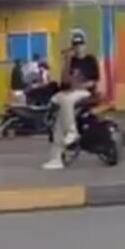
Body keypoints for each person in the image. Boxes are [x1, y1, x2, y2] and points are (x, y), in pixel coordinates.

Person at [42, 34, 101, 170]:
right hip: (69, 93)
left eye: (80, 44)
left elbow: (94, 80)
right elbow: (64, 81)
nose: (78, 47)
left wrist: (80, 86)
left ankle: (72, 131)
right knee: (58, 122)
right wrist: (67, 61)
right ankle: (56, 158)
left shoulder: (90, 60)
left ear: (84, 45)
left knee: (66, 99)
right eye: (75, 45)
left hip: (85, 92)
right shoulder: (71, 61)